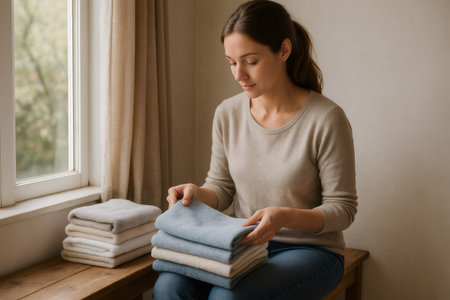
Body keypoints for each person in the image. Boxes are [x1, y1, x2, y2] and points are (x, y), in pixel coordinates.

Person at [153, 0, 357, 299]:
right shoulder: (227, 113)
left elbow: (343, 210)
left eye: (250, 61)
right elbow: (221, 188)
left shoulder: (326, 119)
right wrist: (196, 193)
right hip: (241, 243)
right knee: (169, 287)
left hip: (310, 251)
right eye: (232, 62)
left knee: (226, 298)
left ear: (284, 51)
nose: (238, 74)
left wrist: (283, 217)